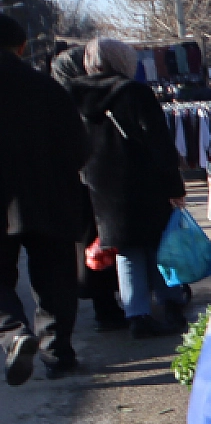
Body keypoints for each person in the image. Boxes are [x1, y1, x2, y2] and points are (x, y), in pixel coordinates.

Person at [71, 37, 189, 339]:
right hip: (143, 181)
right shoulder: (134, 92)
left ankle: (136, 315)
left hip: (101, 187)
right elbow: (158, 142)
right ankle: (170, 304)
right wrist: (174, 185)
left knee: (125, 249)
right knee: (159, 245)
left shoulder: (73, 94)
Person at [0, 16, 91, 384]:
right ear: (21, 47)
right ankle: (57, 351)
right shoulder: (49, 89)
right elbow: (79, 146)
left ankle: (12, 331)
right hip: (51, 196)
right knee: (55, 277)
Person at [50, 48, 127, 332]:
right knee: (106, 242)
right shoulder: (101, 96)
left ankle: (103, 305)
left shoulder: (57, 101)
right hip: (100, 181)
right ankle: (113, 304)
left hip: (72, 186)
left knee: (88, 246)